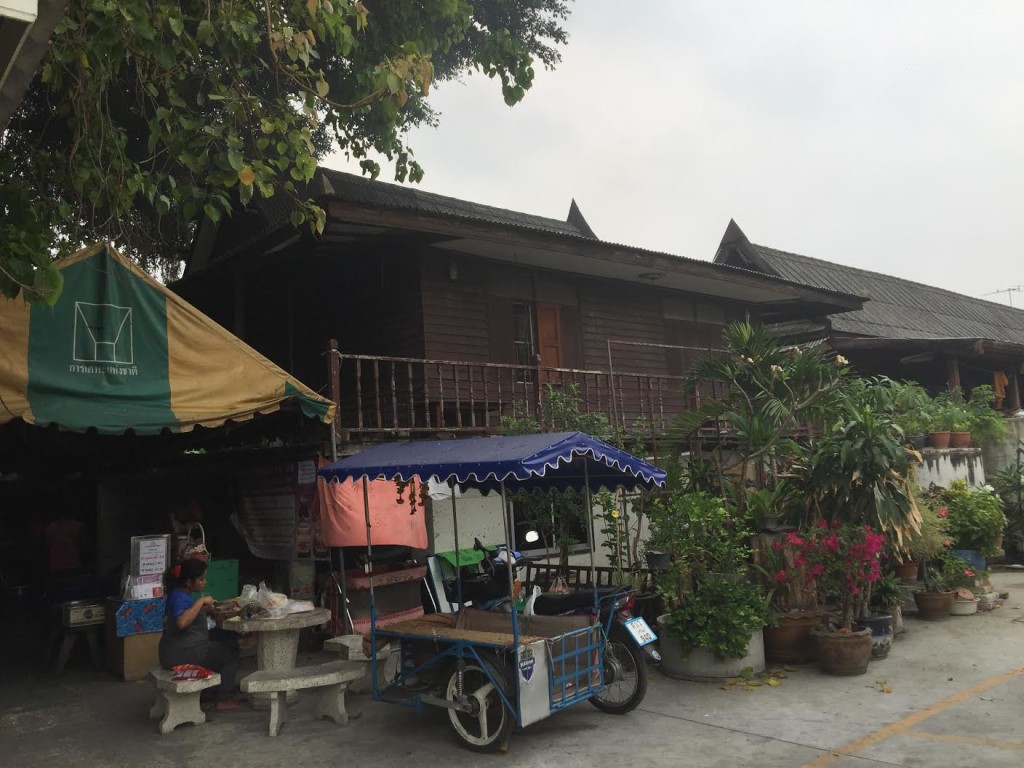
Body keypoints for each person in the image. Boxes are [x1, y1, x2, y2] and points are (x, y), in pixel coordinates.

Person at [159, 558, 242, 710]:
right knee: (229, 653)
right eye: (201, 579)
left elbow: (189, 615)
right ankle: (224, 698)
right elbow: (182, 622)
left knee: (224, 636)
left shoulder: (181, 594)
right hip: (181, 653)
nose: (204, 582)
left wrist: (206, 610)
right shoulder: (179, 597)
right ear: (189, 582)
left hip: (176, 649)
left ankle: (209, 690)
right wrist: (201, 602)